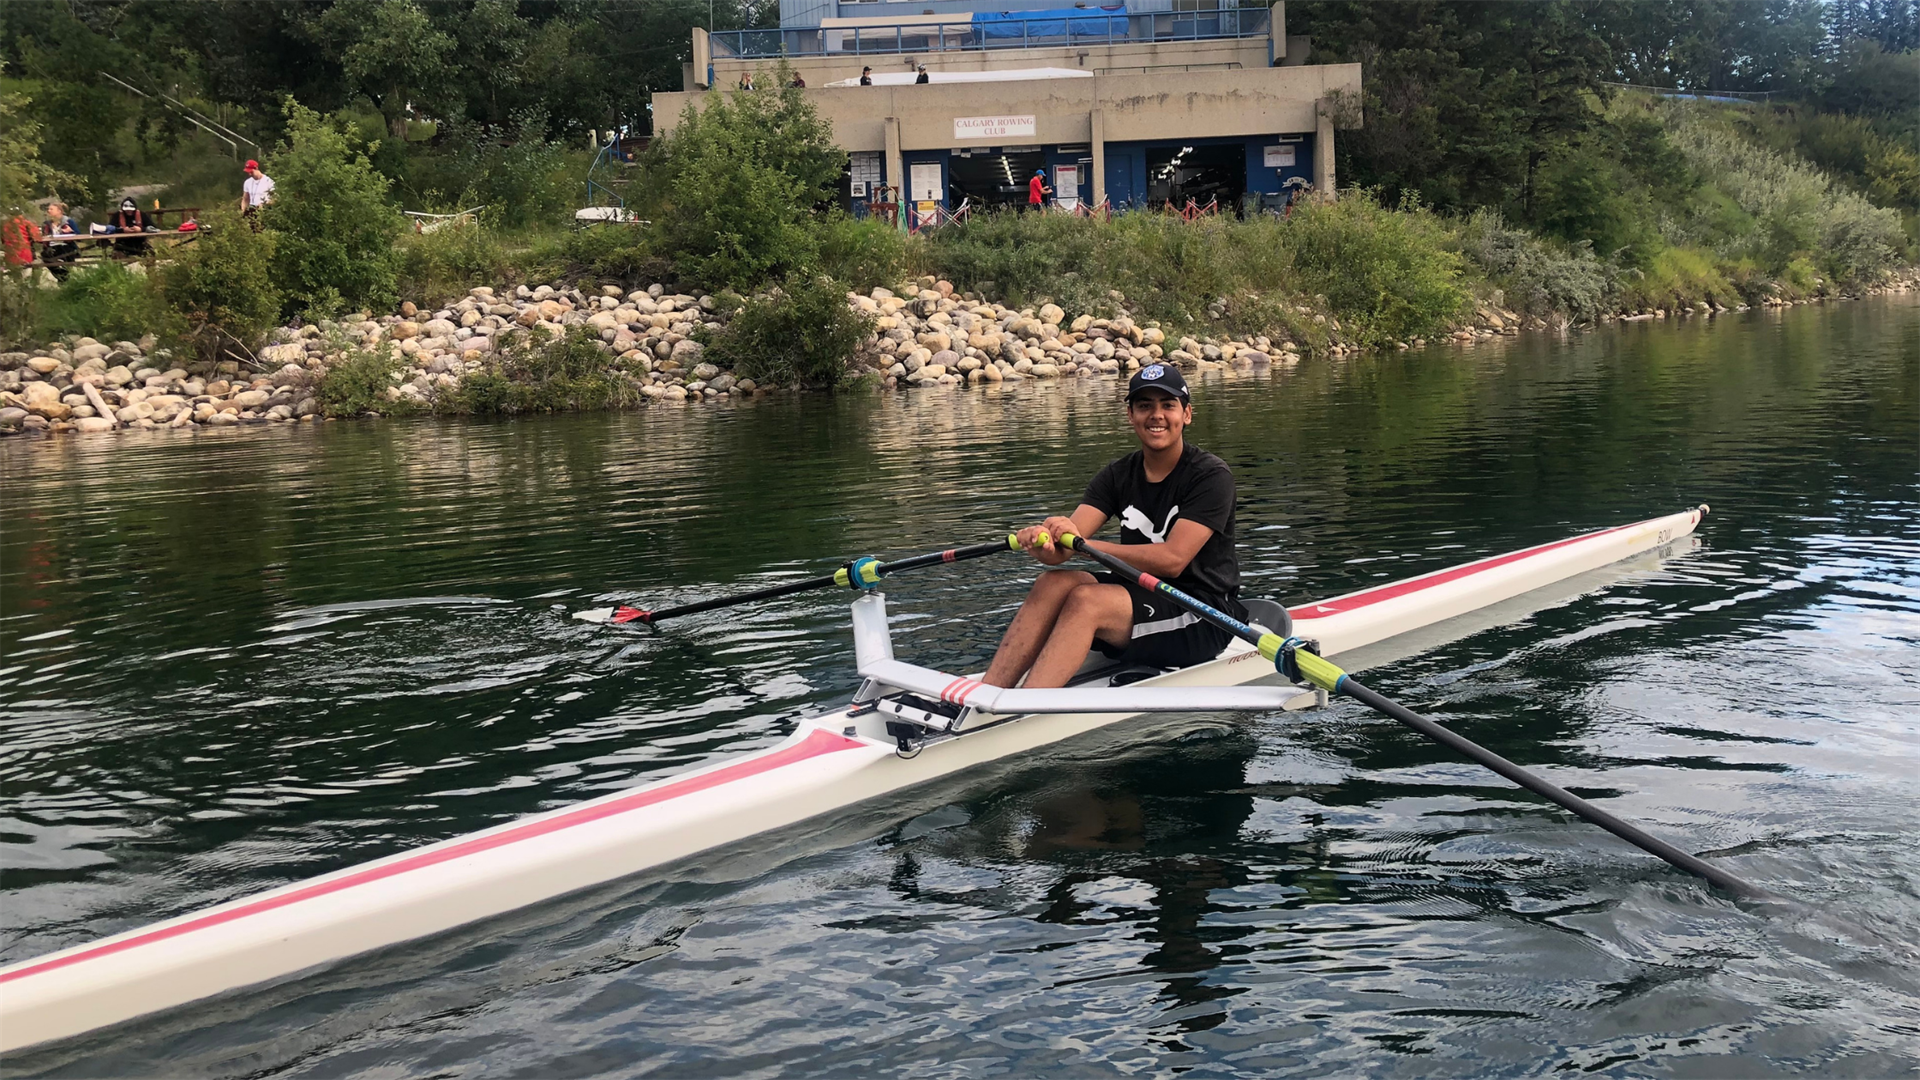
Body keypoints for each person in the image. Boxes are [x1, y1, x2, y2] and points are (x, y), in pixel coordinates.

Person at [982, 364, 1244, 689]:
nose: (1156, 415)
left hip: (1204, 613)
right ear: (1131, 415)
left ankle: (1023, 709)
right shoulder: (1117, 475)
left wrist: (1086, 546)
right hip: (1142, 595)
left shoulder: (1210, 476)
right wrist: (1042, 541)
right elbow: (1064, 549)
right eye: (1145, 405)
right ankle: (986, 695)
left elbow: (1173, 560)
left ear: (1186, 414)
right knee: (1052, 583)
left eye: (1168, 405)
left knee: (1087, 601)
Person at [41, 202, 77, 281]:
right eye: (48, 209)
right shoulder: (47, 224)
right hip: (52, 247)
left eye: (51, 209)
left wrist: (70, 231)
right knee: (45, 256)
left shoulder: (68, 221)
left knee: (66, 254)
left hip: (66, 246)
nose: (48, 211)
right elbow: (43, 237)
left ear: (59, 211)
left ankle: (63, 278)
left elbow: (78, 235)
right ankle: (63, 277)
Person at [240, 160, 274, 228]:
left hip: (264, 210)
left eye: (251, 172)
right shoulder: (247, 182)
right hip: (251, 210)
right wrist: (243, 210)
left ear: (256, 168)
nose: (250, 174)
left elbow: (275, 198)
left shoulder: (268, 181)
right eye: (248, 172)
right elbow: (245, 198)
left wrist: (265, 204)